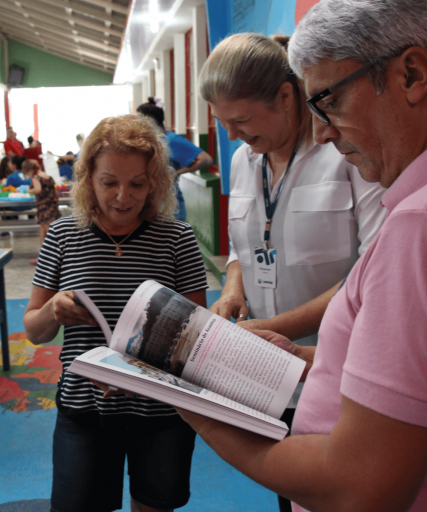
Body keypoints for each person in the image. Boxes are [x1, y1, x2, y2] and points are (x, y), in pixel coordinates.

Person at [178, 1, 427, 511]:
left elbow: (360, 487)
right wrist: (236, 294)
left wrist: (193, 404)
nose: (327, 130)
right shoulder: (248, 163)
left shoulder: (378, 179)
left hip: (336, 393)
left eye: (329, 102)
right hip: (288, 367)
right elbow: (244, 248)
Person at [23, 114, 208, 512]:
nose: (123, 196)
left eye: (137, 183)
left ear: (155, 180)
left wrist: (138, 375)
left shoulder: (177, 240)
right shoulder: (63, 235)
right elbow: (34, 331)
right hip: (84, 410)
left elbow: (197, 342)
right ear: (89, 177)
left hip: (160, 412)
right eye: (110, 182)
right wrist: (53, 310)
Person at [137, 97, 214, 221]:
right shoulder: (146, 141)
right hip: (150, 205)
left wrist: (177, 173)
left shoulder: (171, 140)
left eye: (141, 120)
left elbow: (206, 159)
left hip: (170, 205)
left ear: (151, 120)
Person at [23, 159, 61, 265]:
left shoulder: (36, 178)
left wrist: (29, 190)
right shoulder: (47, 176)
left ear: (29, 171)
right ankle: (43, 255)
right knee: (42, 232)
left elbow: (38, 190)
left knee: (50, 233)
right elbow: (55, 193)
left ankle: (55, 256)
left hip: (44, 209)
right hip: (52, 207)